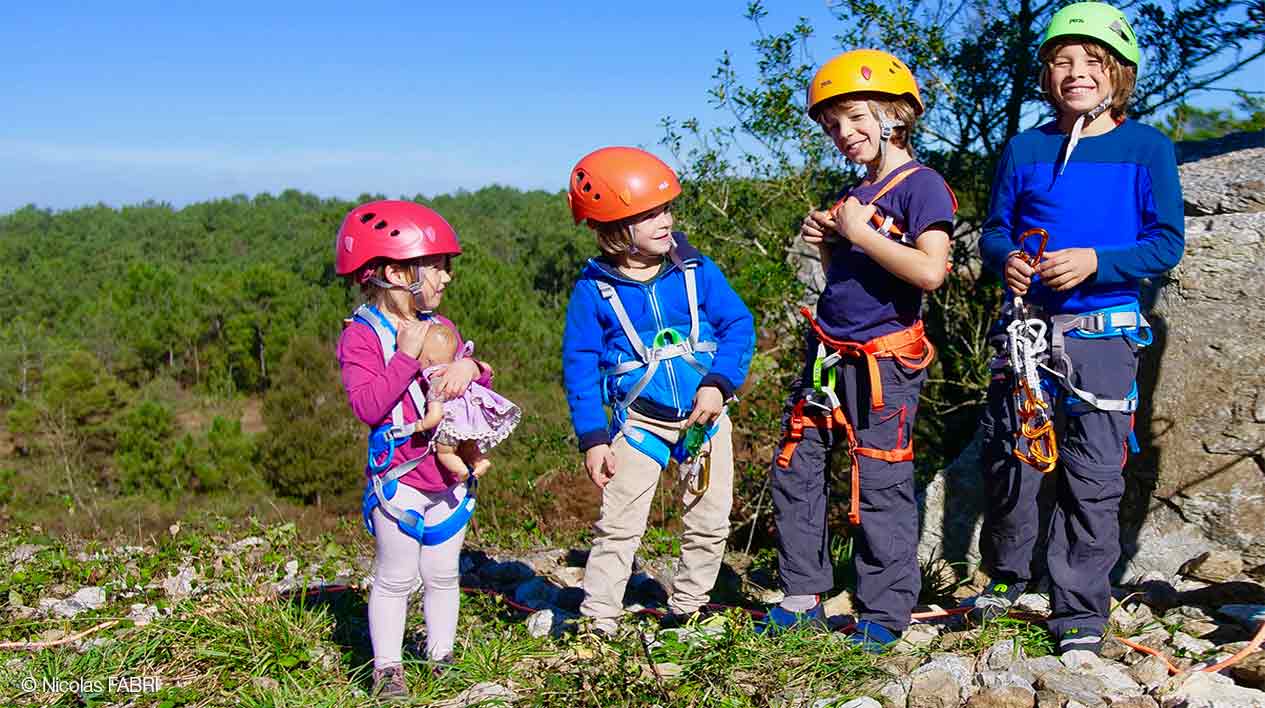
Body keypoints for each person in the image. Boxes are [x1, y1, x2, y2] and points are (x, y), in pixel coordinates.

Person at [970, 2, 1184, 656]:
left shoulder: (1145, 148)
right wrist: (1003, 256)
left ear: (1117, 73)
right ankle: (1005, 580)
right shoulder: (1024, 148)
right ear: (1046, 73)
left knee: (1093, 471)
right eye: (1062, 61)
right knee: (1014, 458)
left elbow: (1165, 243)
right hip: (1027, 330)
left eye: (1091, 62)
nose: (1075, 72)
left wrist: (1097, 260)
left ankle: (1077, 614)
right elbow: (994, 228)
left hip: (1103, 330)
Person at [768, 49, 956, 652]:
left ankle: (883, 610)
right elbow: (845, 282)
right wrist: (830, 242)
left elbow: (930, 272)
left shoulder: (922, 187)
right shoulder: (858, 190)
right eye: (832, 126)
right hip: (829, 348)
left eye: (853, 118)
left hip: (884, 360)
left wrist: (861, 232)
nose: (842, 134)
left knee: (879, 478)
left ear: (893, 114)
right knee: (797, 467)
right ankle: (802, 591)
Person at [561, 146, 755, 635]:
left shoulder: (695, 270)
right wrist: (593, 438)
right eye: (647, 215)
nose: (664, 220)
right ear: (613, 230)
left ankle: (689, 607)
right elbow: (580, 366)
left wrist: (718, 383)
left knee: (710, 520)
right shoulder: (594, 290)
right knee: (620, 524)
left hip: (704, 416)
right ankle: (599, 618)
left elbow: (737, 325)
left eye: (665, 208)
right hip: (640, 422)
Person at [335, 200, 501, 699]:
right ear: (393, 271)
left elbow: (470, 367)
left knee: (443, 573)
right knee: (396, 577)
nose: (446, 278)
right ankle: (388, 668)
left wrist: (474, 370)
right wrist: (406, 355)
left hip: (446, 479)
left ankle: (441, 655)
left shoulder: (439, 324)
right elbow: (368, 405)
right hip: (401, 478)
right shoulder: (363, 337)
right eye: (436, 267)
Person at [414, 321, 520, 481]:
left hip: (452, 425)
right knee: (469, 448)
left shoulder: (436, 380)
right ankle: (480, 461)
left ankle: (460, 469)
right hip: (472, 423)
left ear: (428, 360)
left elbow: (435, 413)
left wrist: (421, 425)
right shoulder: (459, 372)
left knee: (445, 452)